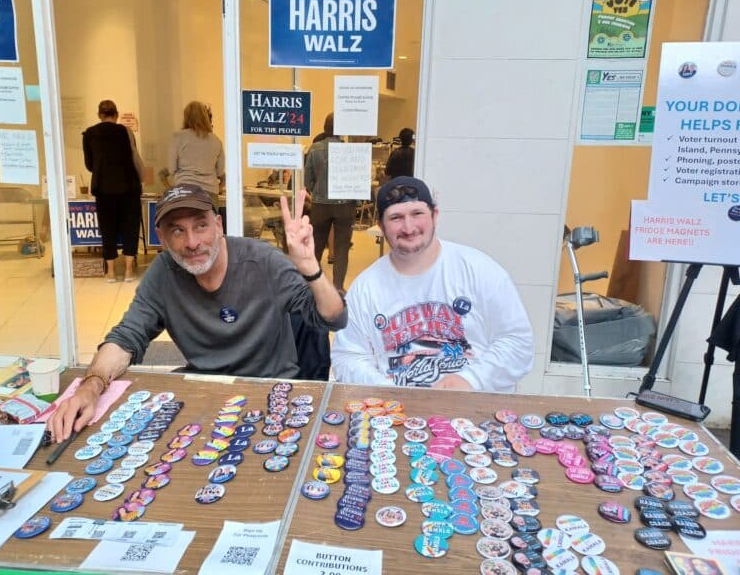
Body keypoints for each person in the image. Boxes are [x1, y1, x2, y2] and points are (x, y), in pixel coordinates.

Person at [48, 183, 346, 441]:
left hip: (270, 394)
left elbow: (335, 317)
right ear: (161, 238)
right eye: (177, 230)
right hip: (203, 397)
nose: (192, 242)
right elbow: (126, 338)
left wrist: (310, 268)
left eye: (200, 225)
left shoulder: (262, 260)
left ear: (218, 225)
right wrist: (91, 385)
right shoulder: (163, 273)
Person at [331, 176, 533, 392]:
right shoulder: (365, 288)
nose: (408, 228)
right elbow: (348, 356)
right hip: (397, 412)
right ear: (380, 225)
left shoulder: (479, 270)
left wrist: (472, 380)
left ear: (435, 215)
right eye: (396, 218)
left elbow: (517, 342)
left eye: (417, 214)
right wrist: (387, 391)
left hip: (474, 411)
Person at [83, 100, 142, 282]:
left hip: (103, 187)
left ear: (99, 115)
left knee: (107, 228)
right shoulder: (125, 131)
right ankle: (128, 271)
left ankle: (110, 272)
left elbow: (89, 164)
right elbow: (134, 157)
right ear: (116, 115)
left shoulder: (89, 134)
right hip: (128, 185)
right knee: (130, 226)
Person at [304, 113, 356, 291]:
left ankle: (313, 285)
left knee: (316, 247)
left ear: (325, 127)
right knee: (342, 248)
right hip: (345, 205)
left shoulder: (315, 148)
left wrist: (317, 191)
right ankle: (339, 287)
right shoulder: (350, 150)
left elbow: (307, 181)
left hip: (320, 205)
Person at [168, 101, 225, 196]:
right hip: (209, 191)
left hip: (184, 190)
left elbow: (171, 169)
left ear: (186, 117)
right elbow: (220, 171)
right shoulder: (216, 140)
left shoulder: (178, 137)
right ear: (205, 117)